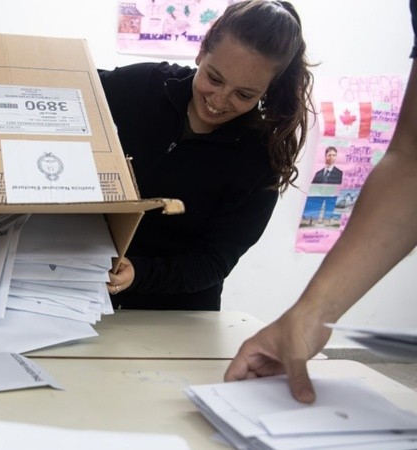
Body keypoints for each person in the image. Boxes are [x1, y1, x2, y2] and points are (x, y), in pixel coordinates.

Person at [225, 0, 417, 404]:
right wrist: (311, 312)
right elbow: (412, 159)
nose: (221, 99)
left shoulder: (260, 152)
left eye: (243, 93)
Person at [101, 0, 314, 311]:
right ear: (202, 51)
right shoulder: (142, 86)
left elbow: (214, 260)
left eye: (244, 95)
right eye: (213, 78)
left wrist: (141, 272)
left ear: (267, 90)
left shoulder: (262, 158)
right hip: (86, 290)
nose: (219, 101)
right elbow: (71, 89)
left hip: (179, 314)